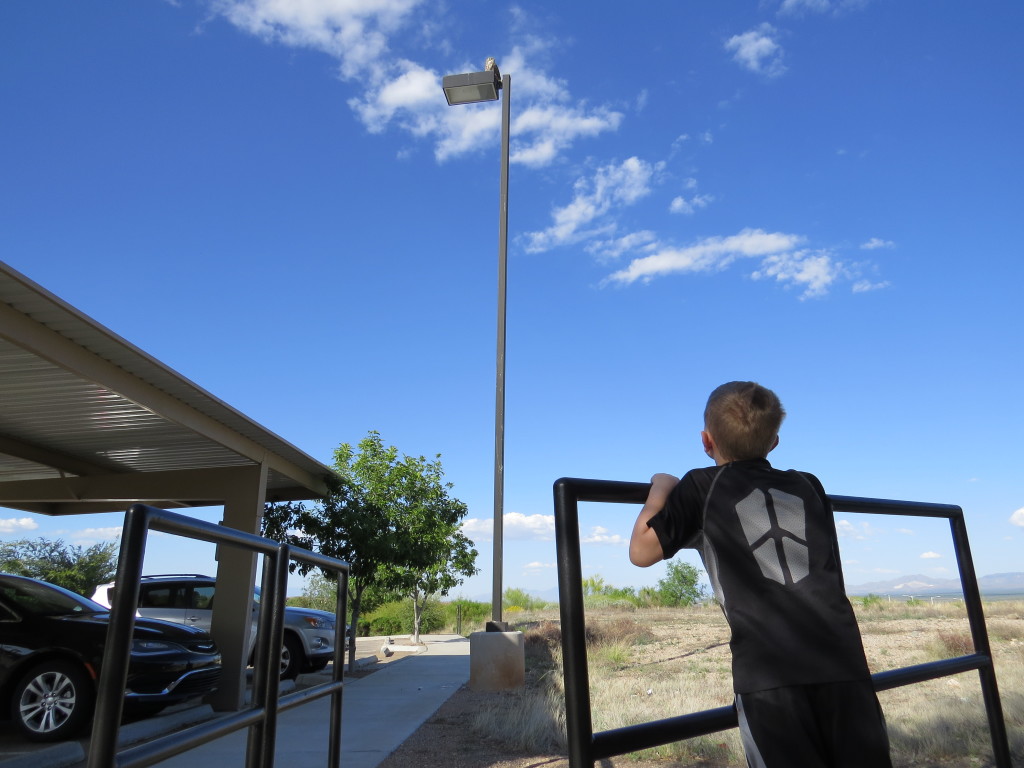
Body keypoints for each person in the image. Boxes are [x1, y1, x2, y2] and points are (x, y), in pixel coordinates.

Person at [629, 381, 892, 768]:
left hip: (768, 674)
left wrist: (661, 488)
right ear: (774, 443)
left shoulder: (702, 484)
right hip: (844, 662)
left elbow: (641, 552)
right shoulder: (810, 484)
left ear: (706, 441)